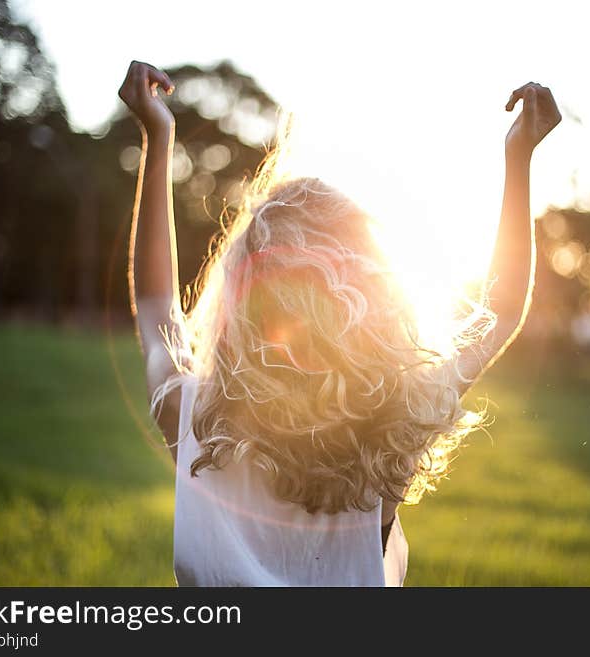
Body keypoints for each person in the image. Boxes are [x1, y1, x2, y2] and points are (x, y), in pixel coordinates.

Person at [118, 60, 561, 586]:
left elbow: (157, 305)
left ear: (239, 302)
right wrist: (520, 157)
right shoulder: (392, 428)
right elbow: (501, 308)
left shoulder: (192, 416)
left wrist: (158, 136)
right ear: (370, 301)